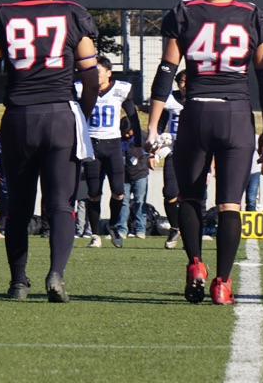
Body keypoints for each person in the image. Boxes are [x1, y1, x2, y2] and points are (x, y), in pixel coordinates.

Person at [0, 0, 99, 303]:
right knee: (60, 204)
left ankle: (19, 282)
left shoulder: (1, 15)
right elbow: (91, 77)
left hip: (19, 117)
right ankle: (56, 274)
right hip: (60, 116)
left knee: (18, 207)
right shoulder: (72, 13)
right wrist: (80, 113)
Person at [145, 0, 263, 306]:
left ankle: (194, 265)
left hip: (198, 110)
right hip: (236, 113)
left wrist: (152, 124)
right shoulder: (251, 15)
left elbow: (166, 70)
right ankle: (222, 283)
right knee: (230, 203)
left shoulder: (186, 13)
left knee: (191, 196)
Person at [75, 56, 141, 248]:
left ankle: (112, 225)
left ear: (109, 73)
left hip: (112, 145)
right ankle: (95, 234)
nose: (95, 75)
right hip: (92, 145)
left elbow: (133, 116)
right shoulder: (82, 88)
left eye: (99, 71)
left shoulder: (121, 89)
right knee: (94, 193)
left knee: (119, 191)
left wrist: (137, 143)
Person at [151, 69, 186, 249]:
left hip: (195, 151)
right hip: (173, 150)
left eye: (188, 81)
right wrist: (153, 151)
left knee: (194, 194)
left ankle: (194, 230)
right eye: (181, 81)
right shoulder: (171, 99)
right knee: (170, 192)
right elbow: (159, 125)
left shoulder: (199, 99)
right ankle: (175, 227)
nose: (185, 85)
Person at [117, 117, 150, 239]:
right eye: (123, 132)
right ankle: (122, 229)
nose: (126, 134)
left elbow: (151, 151)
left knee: (140, 202)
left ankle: (140, 229)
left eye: (128, 132)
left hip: (140, 174)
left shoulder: (142, 136)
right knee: (123, 202)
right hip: (124, 175)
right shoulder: (118, 137)